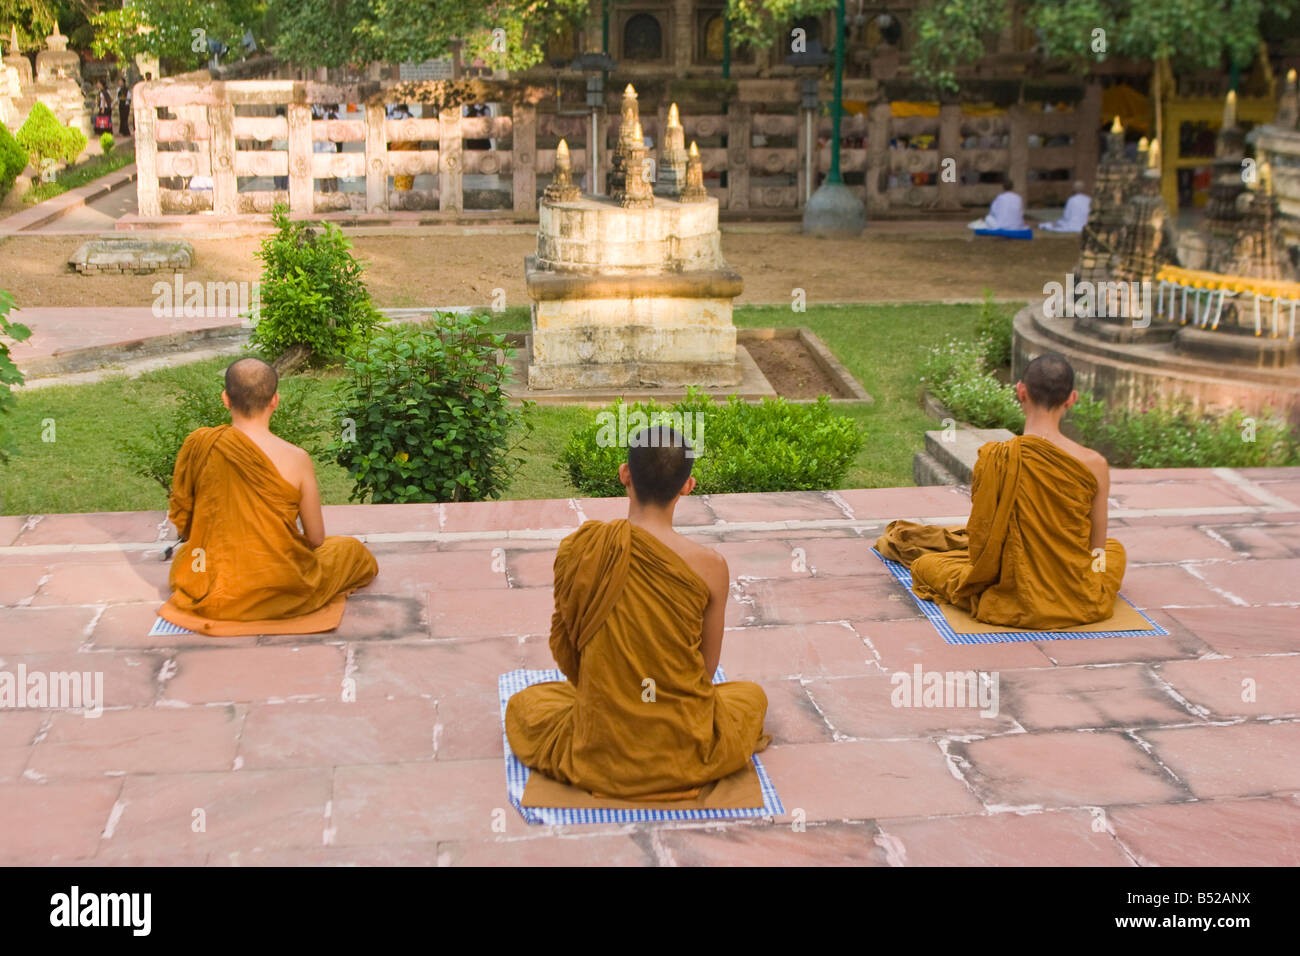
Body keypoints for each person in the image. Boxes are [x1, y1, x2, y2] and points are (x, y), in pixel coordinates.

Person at [506, 425, 770, 799]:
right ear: (687, 486)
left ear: (624, 474)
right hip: (682, 745)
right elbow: (706, 670)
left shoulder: (583, 548)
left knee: (527, 705)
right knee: (750, 698)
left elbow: (572, 652)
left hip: (600, 743)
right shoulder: (711, 566)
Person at [875, 353, 1126, 629]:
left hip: (1013, 594)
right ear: (1072, 398)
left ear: (1021, 392)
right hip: (1079, 596)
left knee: (926, 565)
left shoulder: (997, 457)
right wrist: (1093, 582)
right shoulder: (1095, 463)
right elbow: (1097, 547)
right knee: (1115, 550)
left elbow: (981, 543)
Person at [160, 358, 378, 632]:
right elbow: (315, 538)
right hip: (280, 583)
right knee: (352, 552)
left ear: (225, 399)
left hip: (215, 582)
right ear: (275, 400)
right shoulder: (297, 458)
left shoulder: (201, 444)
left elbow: (185, 523)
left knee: (187, 562)